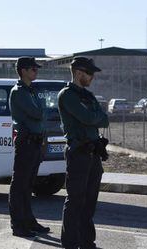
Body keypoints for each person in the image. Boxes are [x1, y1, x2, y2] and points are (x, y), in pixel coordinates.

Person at [58, 57, 109, 249]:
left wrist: (94, 118)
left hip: (93, 154)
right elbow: (88, 117)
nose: (92, 77)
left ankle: (87, 242)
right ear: (79, 73)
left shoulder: (89, 96)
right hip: (78, 153)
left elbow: (104, 119)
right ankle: (70, 243)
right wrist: (94, 117)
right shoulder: (67, 95)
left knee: (89, 202)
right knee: (75, 201)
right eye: (90, 73)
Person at [8, 56, 50, 237]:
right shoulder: (19, 92)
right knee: (20, 185)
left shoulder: (31, 90)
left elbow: (42, 113)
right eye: (33, 69)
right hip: (25, 142)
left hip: (35, 142)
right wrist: (42, 111)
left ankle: (29, 221)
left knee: (28, 186)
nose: (36, 71)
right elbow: (37, 112)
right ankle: (18, 225)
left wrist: (42, 112)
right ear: (23, 70)